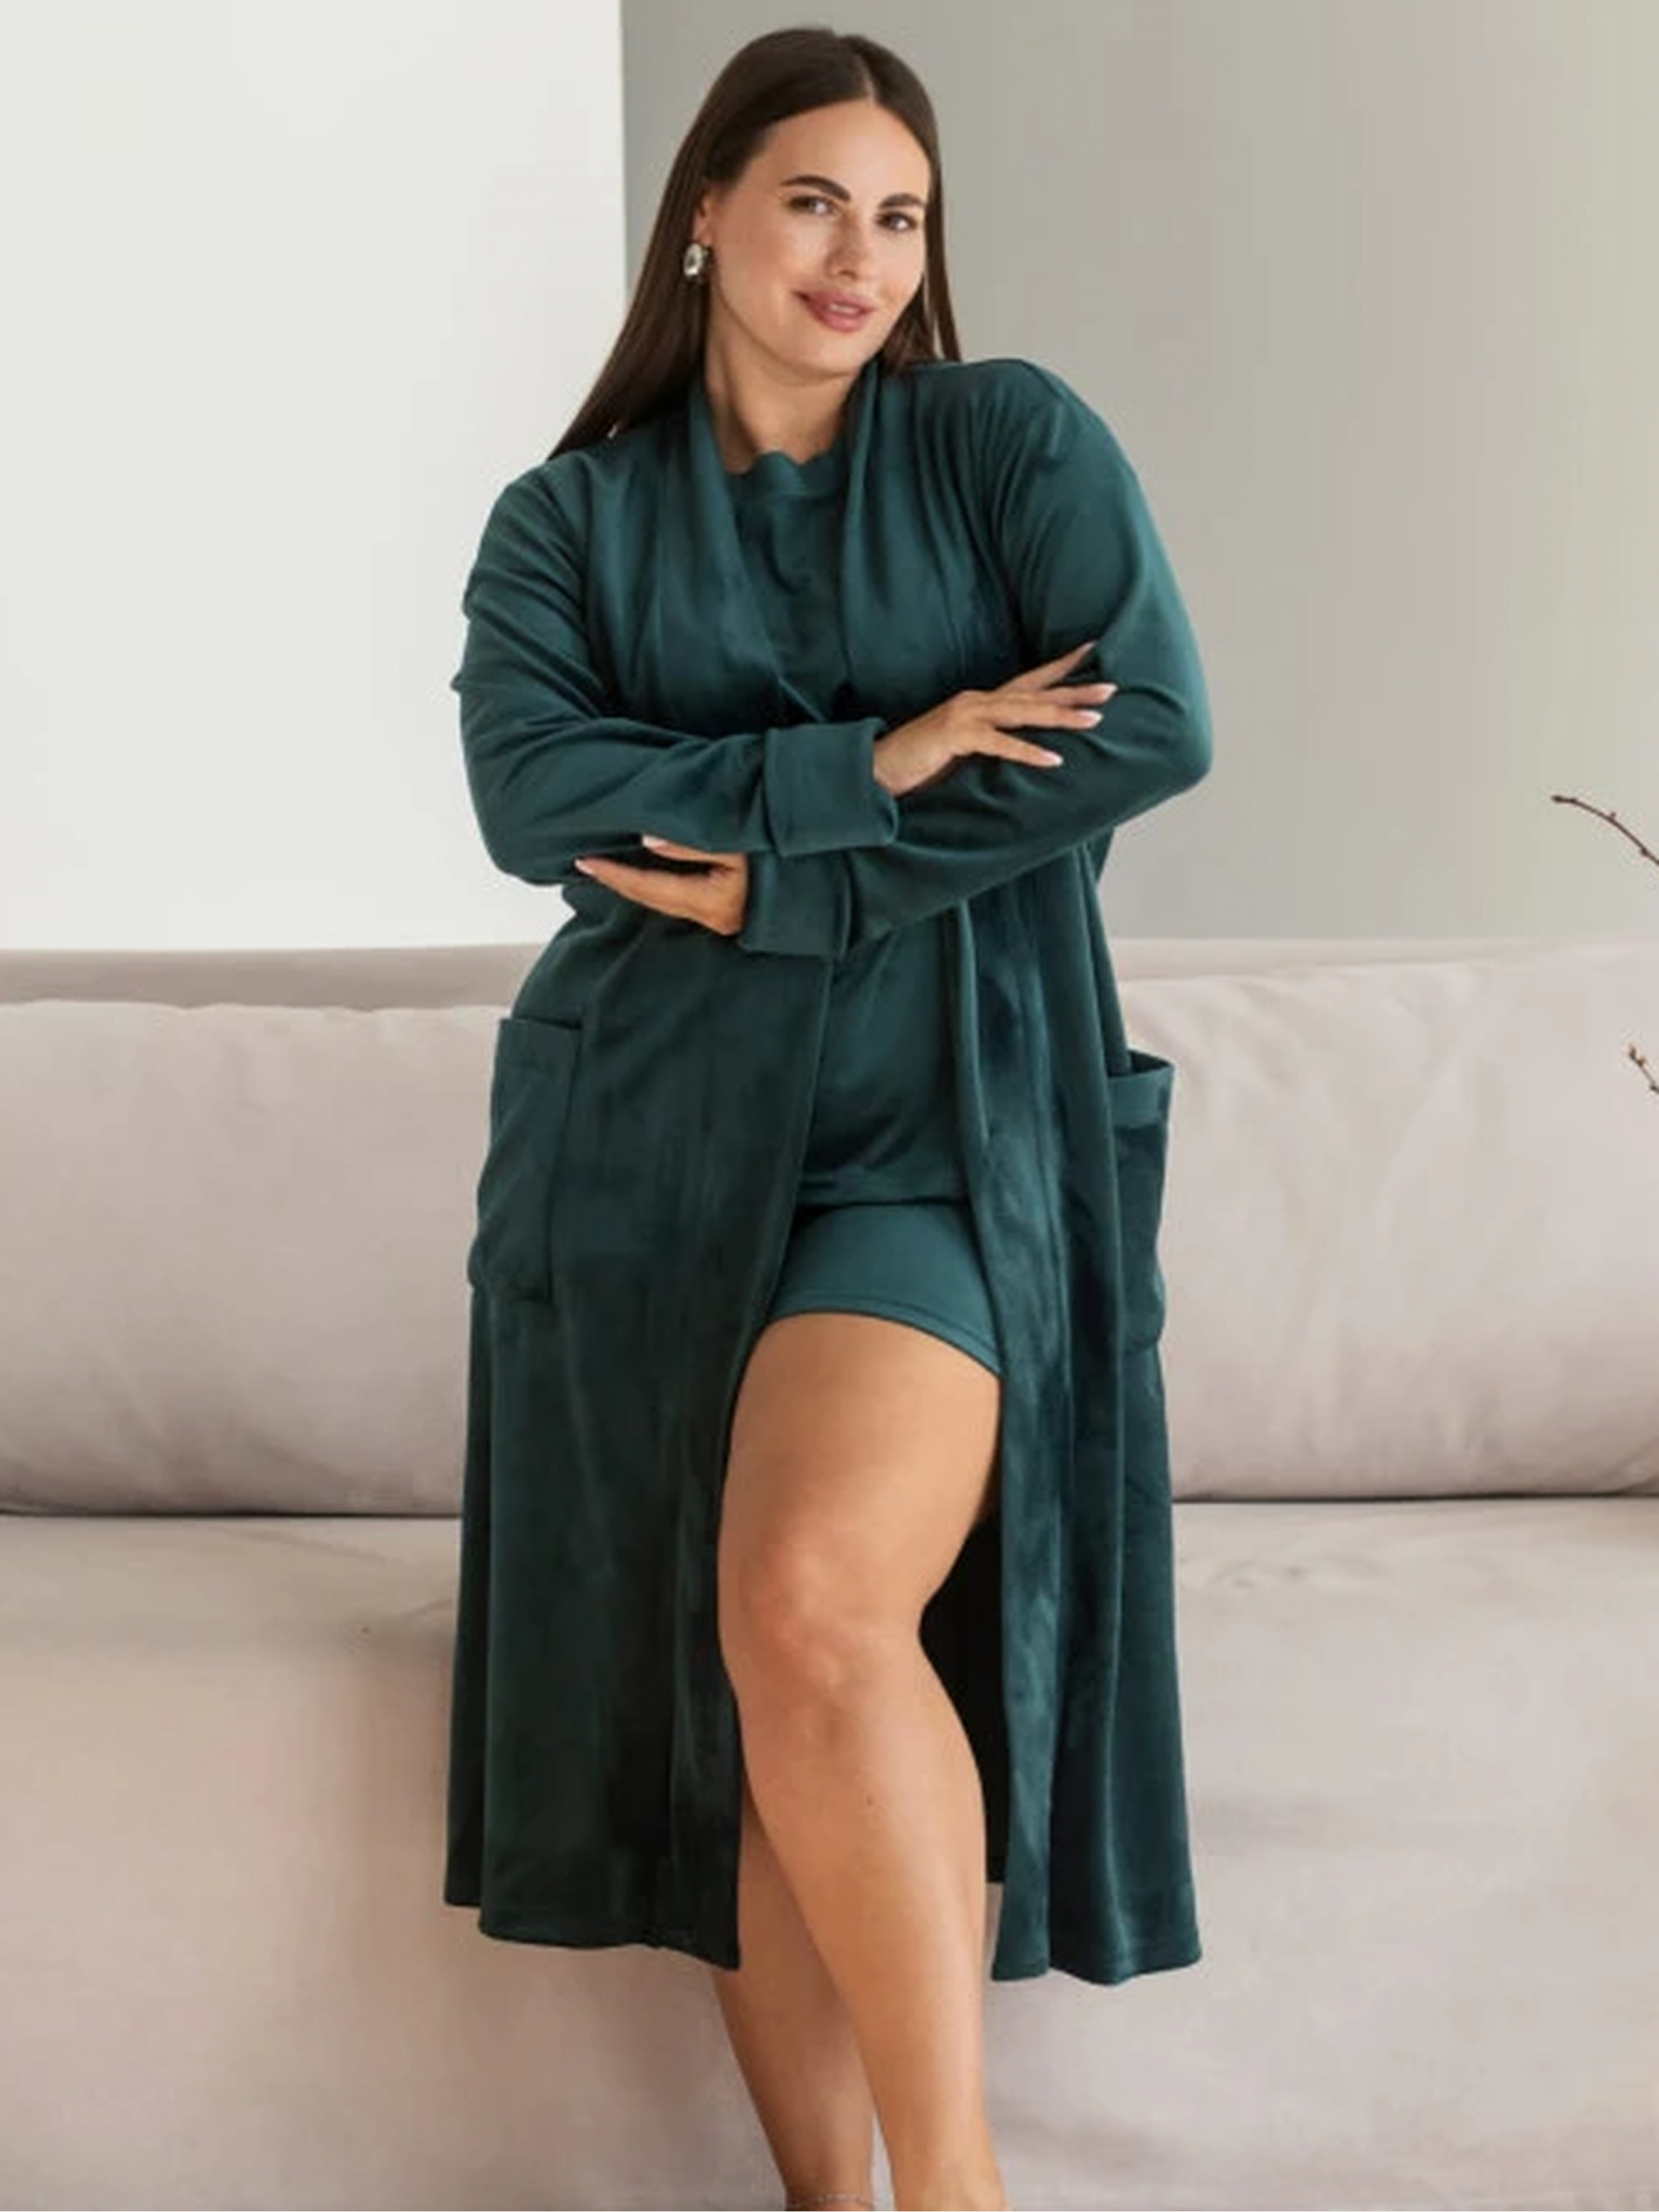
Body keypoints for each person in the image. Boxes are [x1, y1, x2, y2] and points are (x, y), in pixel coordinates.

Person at [442, 25, 1213, 2212]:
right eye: (810, 201)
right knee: (740, 1681)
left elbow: (1146, 724)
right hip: (641, 1167)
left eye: (899, 215)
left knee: (802, 1596)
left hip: (941, 1147)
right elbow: (536, 797)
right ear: (702, 212)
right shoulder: (566, 522)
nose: (859, 256)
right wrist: (876, 759)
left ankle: (952, 2193)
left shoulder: (1006, 443)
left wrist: (786, 874)